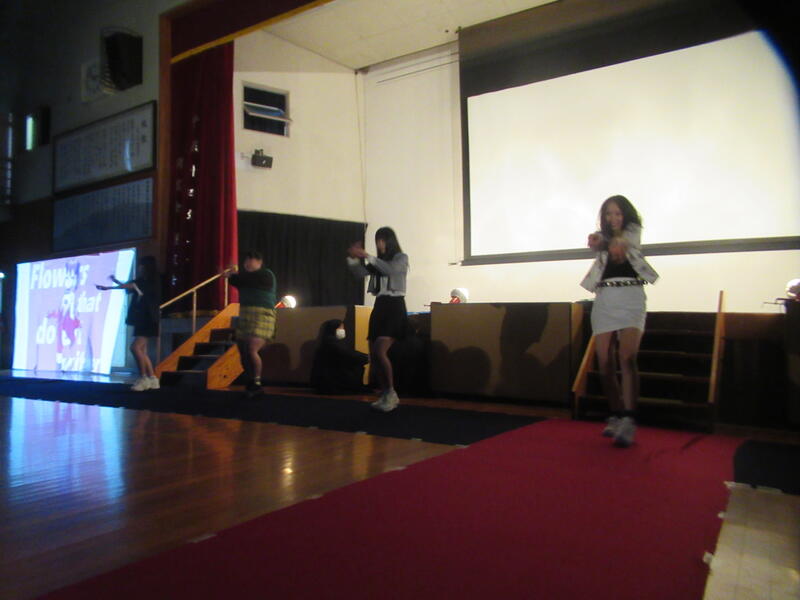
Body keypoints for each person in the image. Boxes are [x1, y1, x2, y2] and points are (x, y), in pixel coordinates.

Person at [581, 195, 659, 447]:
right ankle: (615, 414)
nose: (613, 218)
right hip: (605, 299)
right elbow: (599, 241)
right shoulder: (601, 236)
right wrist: (597, 241)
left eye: (617, 213)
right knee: (604, 362)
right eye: (608, 214)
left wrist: (606, 242)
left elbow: (622, 241)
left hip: (631, 297)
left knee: (627, 357)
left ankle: (629, 418)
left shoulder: (633, 232)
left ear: (625, 215)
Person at [347, 227, 409, 412]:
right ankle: (384, 394)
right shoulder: (378, 262)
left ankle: (391, 392)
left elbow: (391, 271)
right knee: (373, 354)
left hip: (394, 305)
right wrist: (352, 258)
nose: (379, 244)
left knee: (380, 350)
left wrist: (367, 255)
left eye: (381, 240)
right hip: (380, 305)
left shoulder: (401, 258)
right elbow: (359, 273)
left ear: (389, 240)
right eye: (377, 240)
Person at [96, 255, 161, 391]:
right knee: (142, 350)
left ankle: (143, 378)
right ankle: (153, 379)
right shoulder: (143, 281)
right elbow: (129, 286)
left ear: (146, 267)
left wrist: (109, 287)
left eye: (141, 265)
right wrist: (114, 282)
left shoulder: (150, 281)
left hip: (148, 319)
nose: (139, 267)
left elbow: (132, 286)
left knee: (135, 348)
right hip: (143, 319)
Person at [223, 250, 277, 395]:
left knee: (252, 348)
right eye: (245, 261)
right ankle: (250, 379)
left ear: (259, 262)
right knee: (243, 350)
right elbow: (237, 280)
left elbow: (246, 279)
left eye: (250, 260)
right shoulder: (244, 278)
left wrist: (233, 275)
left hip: (262, 315)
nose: (247, 263)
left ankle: (257, 381)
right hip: (246, 314)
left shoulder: (266, 274)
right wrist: (231, 276)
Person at [310, 319, 369, 394]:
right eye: (341, 328)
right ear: (333, 329)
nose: (343, 330)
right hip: (331, 382)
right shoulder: (331, 343)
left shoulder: (328, 341)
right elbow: (348, 354)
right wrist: (366, 357)